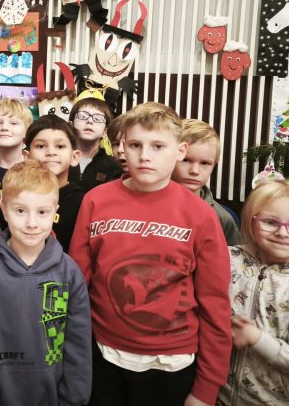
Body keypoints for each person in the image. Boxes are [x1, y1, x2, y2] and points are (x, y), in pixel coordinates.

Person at [69, 102, 232, 406]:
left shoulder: (201, 215)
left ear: (180, 150)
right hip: (103, 356)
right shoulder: (95, 201)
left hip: (171, 365)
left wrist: (206, 389)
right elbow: (77, 284)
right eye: (135, 145)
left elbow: (215, 305)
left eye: (158, 146)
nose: (144, 156)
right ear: (122, 147)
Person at [0, 160, 92, 406]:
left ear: (55, 211)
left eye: (42, 212)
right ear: (4, 210)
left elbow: (78, 345)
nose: (31, 223)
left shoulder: (69, 273)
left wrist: (74, 399)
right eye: (20, 210)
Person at [218, 180, 289, 406]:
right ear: (251, 221)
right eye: (270, 222)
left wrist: (257, 339)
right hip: (213, 394)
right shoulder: (225, 259)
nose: (282, 233)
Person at [171, 119, 242, 246]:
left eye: (205, 163)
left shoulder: (222, 218)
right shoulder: (146, 204)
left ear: (214, 165)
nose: (195, 171)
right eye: (186, 160)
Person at [24, 114, 84, 254]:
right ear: (26, 157)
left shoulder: (82, 202)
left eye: (60, 146)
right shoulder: (16, 195)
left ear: (74, 157)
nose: (51, 152)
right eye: (41, 146)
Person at [68, 97, 122, 192]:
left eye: (98, 118)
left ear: (105, 132)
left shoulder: (113, 166)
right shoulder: (59, 159)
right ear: (71, 125)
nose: (90, 121)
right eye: (83, 116)